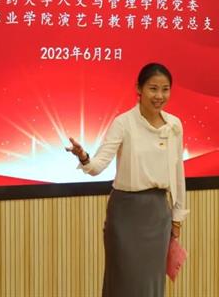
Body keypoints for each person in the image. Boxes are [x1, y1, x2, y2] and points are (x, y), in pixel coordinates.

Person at [66, 62, 188, 297]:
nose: (159, 96)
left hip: (157, 215)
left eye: (165, 89)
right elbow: (97, 166)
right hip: (125, 214)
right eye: (153, 88)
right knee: (124, 283)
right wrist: (83, 157)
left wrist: (177, 218)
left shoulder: (174, 125)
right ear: (139, 89)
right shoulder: (124, 123)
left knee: (151, 285)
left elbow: (177, 172)